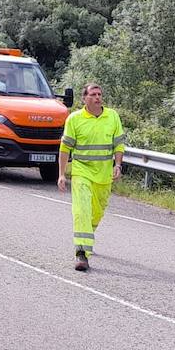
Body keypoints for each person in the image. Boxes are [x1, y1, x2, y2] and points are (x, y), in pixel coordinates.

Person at [57, 83, 125, 272]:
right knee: (82, 211)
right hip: (81, 173)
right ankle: (81, 253)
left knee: (96, 213)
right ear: (84, 98)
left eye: (99, 94)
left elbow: (119, 144)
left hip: (104, 176)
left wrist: (117, 165)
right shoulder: (74, 119)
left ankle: (87, 236)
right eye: (93, 94)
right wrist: (62, 174)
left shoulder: (112, 116)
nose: (97, 97)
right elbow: (65, 149)